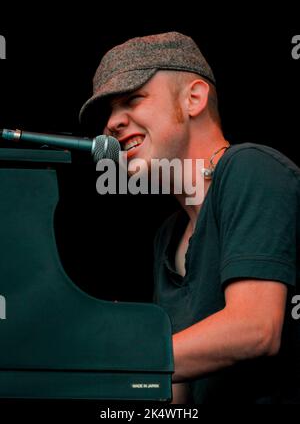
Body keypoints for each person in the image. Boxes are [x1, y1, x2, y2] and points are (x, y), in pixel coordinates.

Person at [79, 32, 300, 404]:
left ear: (194, 98)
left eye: (133, 99)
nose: (111, 124)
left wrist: (115, 360)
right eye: (109, 112)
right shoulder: (169, 234)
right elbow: (177, 382)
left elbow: (256, 329)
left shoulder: (252, 168)